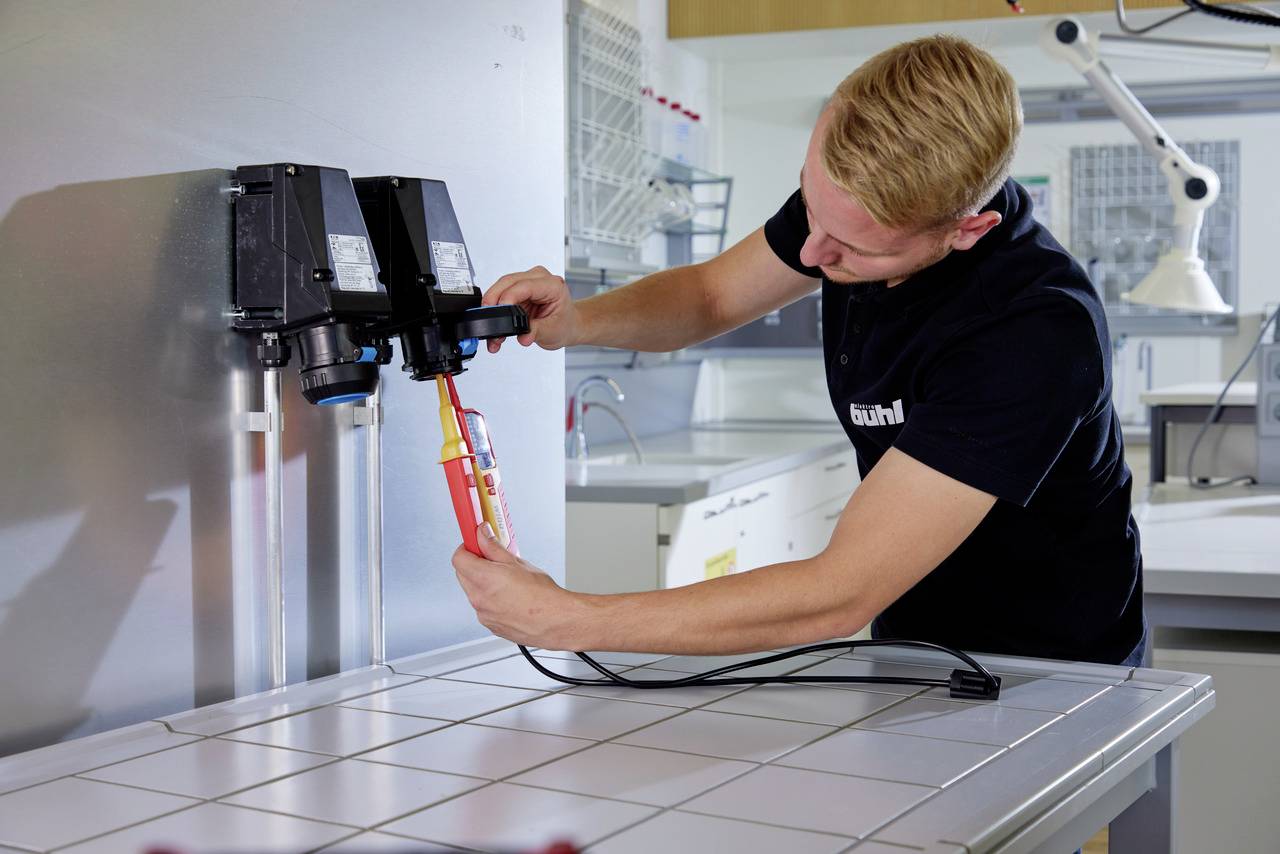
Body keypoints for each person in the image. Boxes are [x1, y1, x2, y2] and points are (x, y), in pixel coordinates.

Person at [452, 35, 1147, 667]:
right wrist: (578, 320)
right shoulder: (849, 208)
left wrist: (572, 618)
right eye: (812, 211)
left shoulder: (1030, 332)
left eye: (854, 248)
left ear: (968, 230)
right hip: (917, 649)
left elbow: (837, 593)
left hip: (1055, 667)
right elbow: (710, 297)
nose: (812, 255)